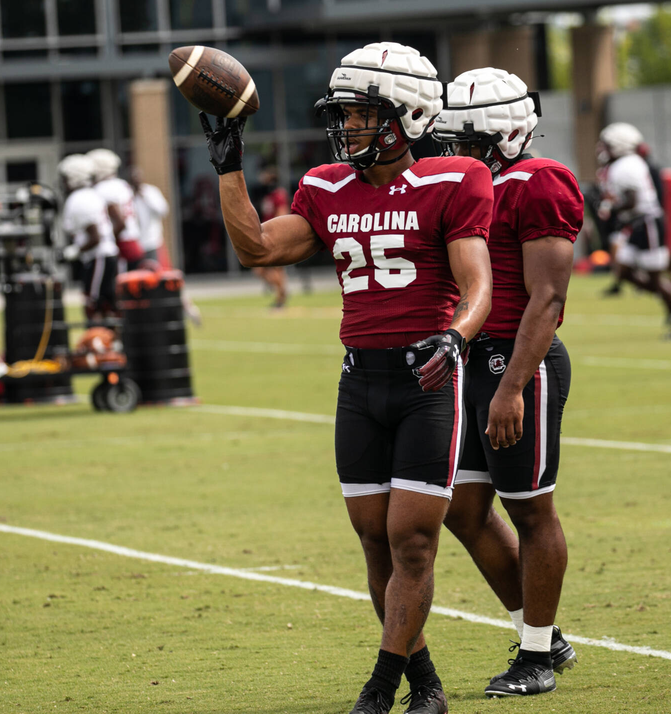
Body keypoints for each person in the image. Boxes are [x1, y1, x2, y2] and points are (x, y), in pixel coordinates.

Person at [202, 41, 492, 714]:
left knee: (412, 540)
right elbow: (257, 248)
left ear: (407, 115)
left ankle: (380, 686)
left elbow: (478, 282)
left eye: (363, 114)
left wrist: (457, 333)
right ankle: (425, 683)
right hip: (359, 382)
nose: (349, 126)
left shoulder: (453, 180)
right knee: (373, 541)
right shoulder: (327, 187)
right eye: (347, 114)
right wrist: (230, 167)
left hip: (426, 375)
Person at [431, 68, 580, 698]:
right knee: (464, 510)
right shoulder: (472, 183)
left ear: (506, 133)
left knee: (529, 508)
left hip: (519, 361)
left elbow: (546, 299)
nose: (454, 151)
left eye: (467, 139)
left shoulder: (538, 181)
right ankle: (542, 632)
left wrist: (514, 385)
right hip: (473, 358)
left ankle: (537, 655)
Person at [597, 122, 671, 338]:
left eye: (608, 145)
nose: (604, 149)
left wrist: (610, 207)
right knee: (625, 271)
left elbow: (632, 200)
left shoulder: (625, 166)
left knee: (655, 278)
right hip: (637, 223)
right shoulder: (626, 163)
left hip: (646, 223)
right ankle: (669, 299)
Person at [59, 154, 120, 321]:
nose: (63, 182)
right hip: (105, 255)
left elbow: (95, 237)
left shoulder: (80, 199)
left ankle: (98, 341)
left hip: (98, 256)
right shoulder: (90, 194)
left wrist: (72, 251)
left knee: (93, 303)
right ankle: (110, 341)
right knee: (108, 303)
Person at [88, 148, 144, 271]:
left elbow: (120, 222)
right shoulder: (121, 184)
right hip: (133, 240)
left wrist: (108, 240)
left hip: (122, 244)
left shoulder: (103, 188)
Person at [251, 165, 291, 308]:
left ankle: (281, 297)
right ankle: (281, 293)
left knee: (274, 269)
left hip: (275, 236)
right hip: (267, 235)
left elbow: (282, 214)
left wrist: (277, 234)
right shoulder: (268, 196)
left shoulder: (279, 194)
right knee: (261, 269)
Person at [131, 167, 170, 270]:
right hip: (136, 241)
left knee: (155, 269)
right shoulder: (128, 195)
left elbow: (163, 210)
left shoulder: (150, 191)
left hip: (152, 239)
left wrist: (144, 197)